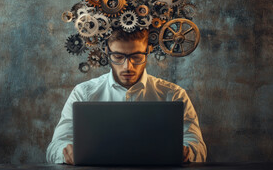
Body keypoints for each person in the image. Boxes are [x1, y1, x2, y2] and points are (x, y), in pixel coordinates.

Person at [46, 29, 207, 164]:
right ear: (107, 52)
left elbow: (198, 147)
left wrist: (187, 151)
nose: (127, 66)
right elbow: (54, 147)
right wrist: (65, 152)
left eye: (136, 57)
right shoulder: (83, 93)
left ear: (148, 51)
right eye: (118, 57)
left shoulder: (173, 94)